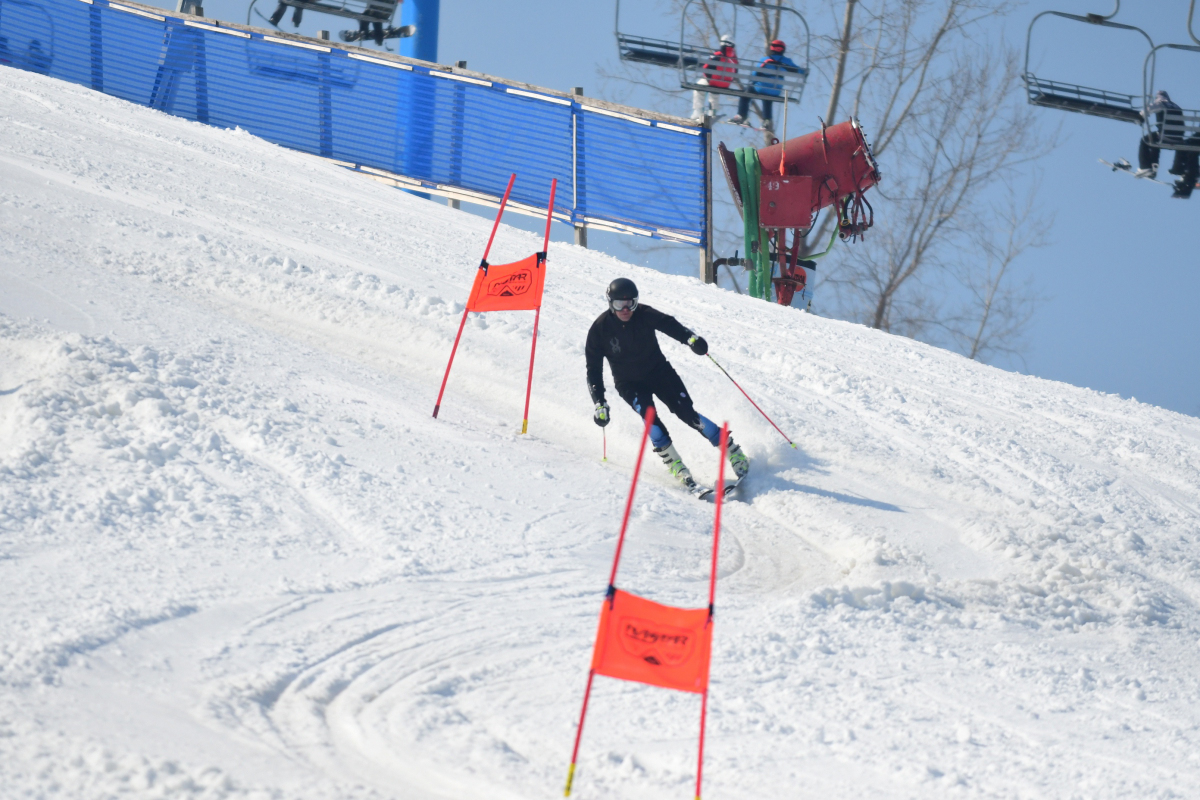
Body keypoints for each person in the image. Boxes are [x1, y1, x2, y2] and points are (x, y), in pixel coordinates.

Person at [586, 278, 749, 493]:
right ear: (610, 303)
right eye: (619, 304)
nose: (625, 309)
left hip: (660, 374)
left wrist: (691, 339)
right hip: (629, 384)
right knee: (651, 419)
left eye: (630, 303)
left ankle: (733, 451)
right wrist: (599, 402)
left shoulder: (644, 314)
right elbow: (593, 370)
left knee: (688, 414)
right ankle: (677, 467)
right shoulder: (599, 329)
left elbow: (669, 324)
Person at [730, 39, 803, 131]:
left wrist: (752, 82)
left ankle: (741, 115)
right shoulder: (787, 61)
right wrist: (805, 72)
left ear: (771, 48)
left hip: (761, 87)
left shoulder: (765, 59)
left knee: (746, 94)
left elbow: (754, 74)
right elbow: (799, 71)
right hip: (776, 90)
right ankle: (767, 121)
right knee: (768, 98)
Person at [1137, 90, 1184, 180]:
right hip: (1179, 138)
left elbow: (1148, 109)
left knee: (1145, 140)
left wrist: (1141, 115)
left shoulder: (1161, 103)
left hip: (1165, 136)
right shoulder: (1176, 106)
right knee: (1155, 140)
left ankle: (1145, 167)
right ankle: (1179, 169)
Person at [691, 34, 738, 123]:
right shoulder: (734, 59)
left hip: (713, 81)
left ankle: (698, 111)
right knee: (714, 92)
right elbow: (735, 72)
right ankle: (713, 112)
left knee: (699, 87)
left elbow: (706, 67)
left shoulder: (718, 54)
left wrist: (708, 77)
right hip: (725, 84)